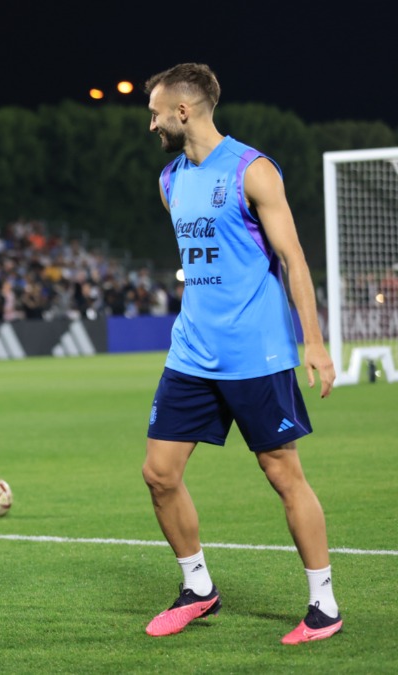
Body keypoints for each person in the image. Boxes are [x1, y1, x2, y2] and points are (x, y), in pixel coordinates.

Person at [139, 63, 341, 645]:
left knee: (282, 472)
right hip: (192, 352)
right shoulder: (170, 180)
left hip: (256, 351)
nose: (151, 124)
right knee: (158, 474)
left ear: (183, 110)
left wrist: (316, 341)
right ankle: (198, 588)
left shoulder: (253, 169)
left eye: (155, 112)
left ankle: (323, 604)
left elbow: (293, 259)